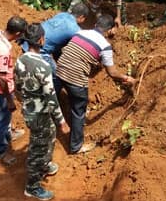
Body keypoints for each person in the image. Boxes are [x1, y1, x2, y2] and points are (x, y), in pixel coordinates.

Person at [55, 14, 136, 154]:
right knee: (79, 111)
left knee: (53, 98)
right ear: (110, 30)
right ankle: (76, 147)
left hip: (59, 70)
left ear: (95, 25)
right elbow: (112, 73)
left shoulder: (80, 32)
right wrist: (128, 78)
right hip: (75, 78)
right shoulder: (105, 46)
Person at [15, 23, 70, 201]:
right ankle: (32, 187)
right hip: (39, 114)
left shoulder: (20, 60)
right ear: (41, 40)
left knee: (50, 133)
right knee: (37, 148)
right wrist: (62, 121)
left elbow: (17, 86)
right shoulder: (43, 66)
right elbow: (51, 97)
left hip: (30, 109)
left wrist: (25, 101)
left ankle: (45, 164)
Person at [0, 16, 27, 166]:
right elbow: (2, 78)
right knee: (2, 117)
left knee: (4, 116)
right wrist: (9, 99)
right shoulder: (3, 51)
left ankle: (8, 134)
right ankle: (0, 151)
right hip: (0, 88)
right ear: (17, 34)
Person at [20, 3, 90, 74]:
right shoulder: (75, 29)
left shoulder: (61, 15)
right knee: (56, 77)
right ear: (81, 17)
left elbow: (56, 40)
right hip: (39, 51)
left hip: (27, 43)